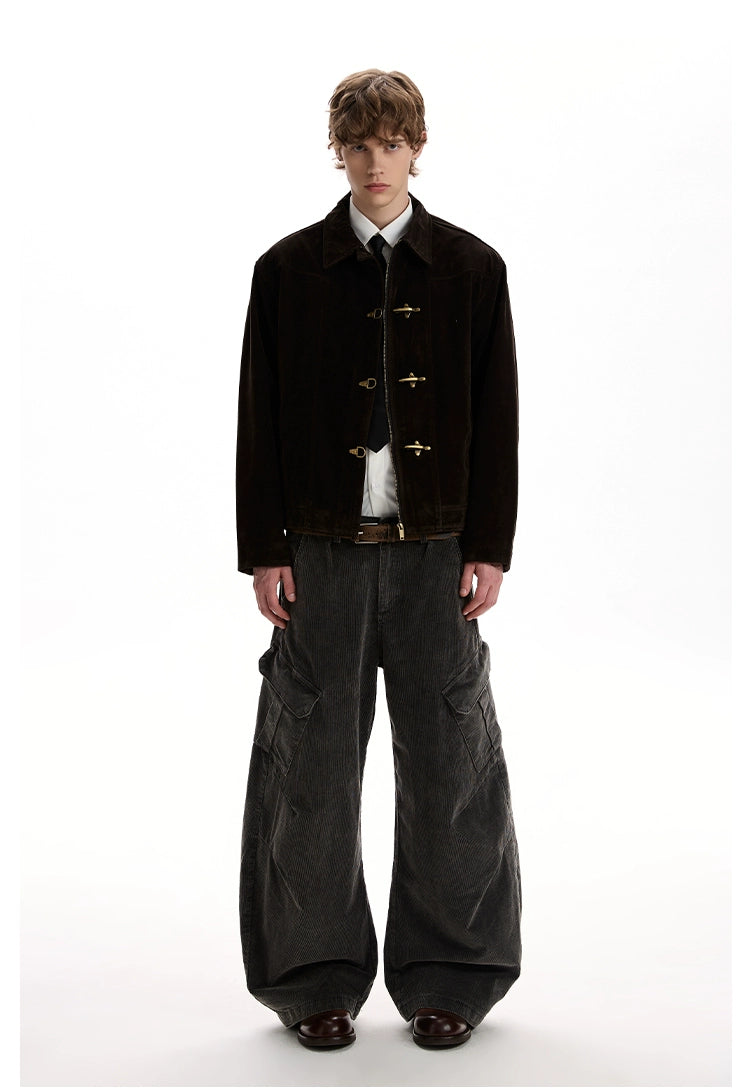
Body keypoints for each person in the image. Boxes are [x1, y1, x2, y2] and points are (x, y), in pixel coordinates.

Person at [236, 68, 521, 1051]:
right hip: (321, 553)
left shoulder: (473, 269)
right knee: (311, 769)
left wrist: (489, 545)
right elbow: (259, 414)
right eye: (358, 145)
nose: (374, 163)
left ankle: (454, 974)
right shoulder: (287, 270)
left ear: (416, 148)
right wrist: (264, 549)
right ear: (339, 151)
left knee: (451, 763)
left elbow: (498, 415)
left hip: (439, 555)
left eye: (391, 144)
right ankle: (312, 978)